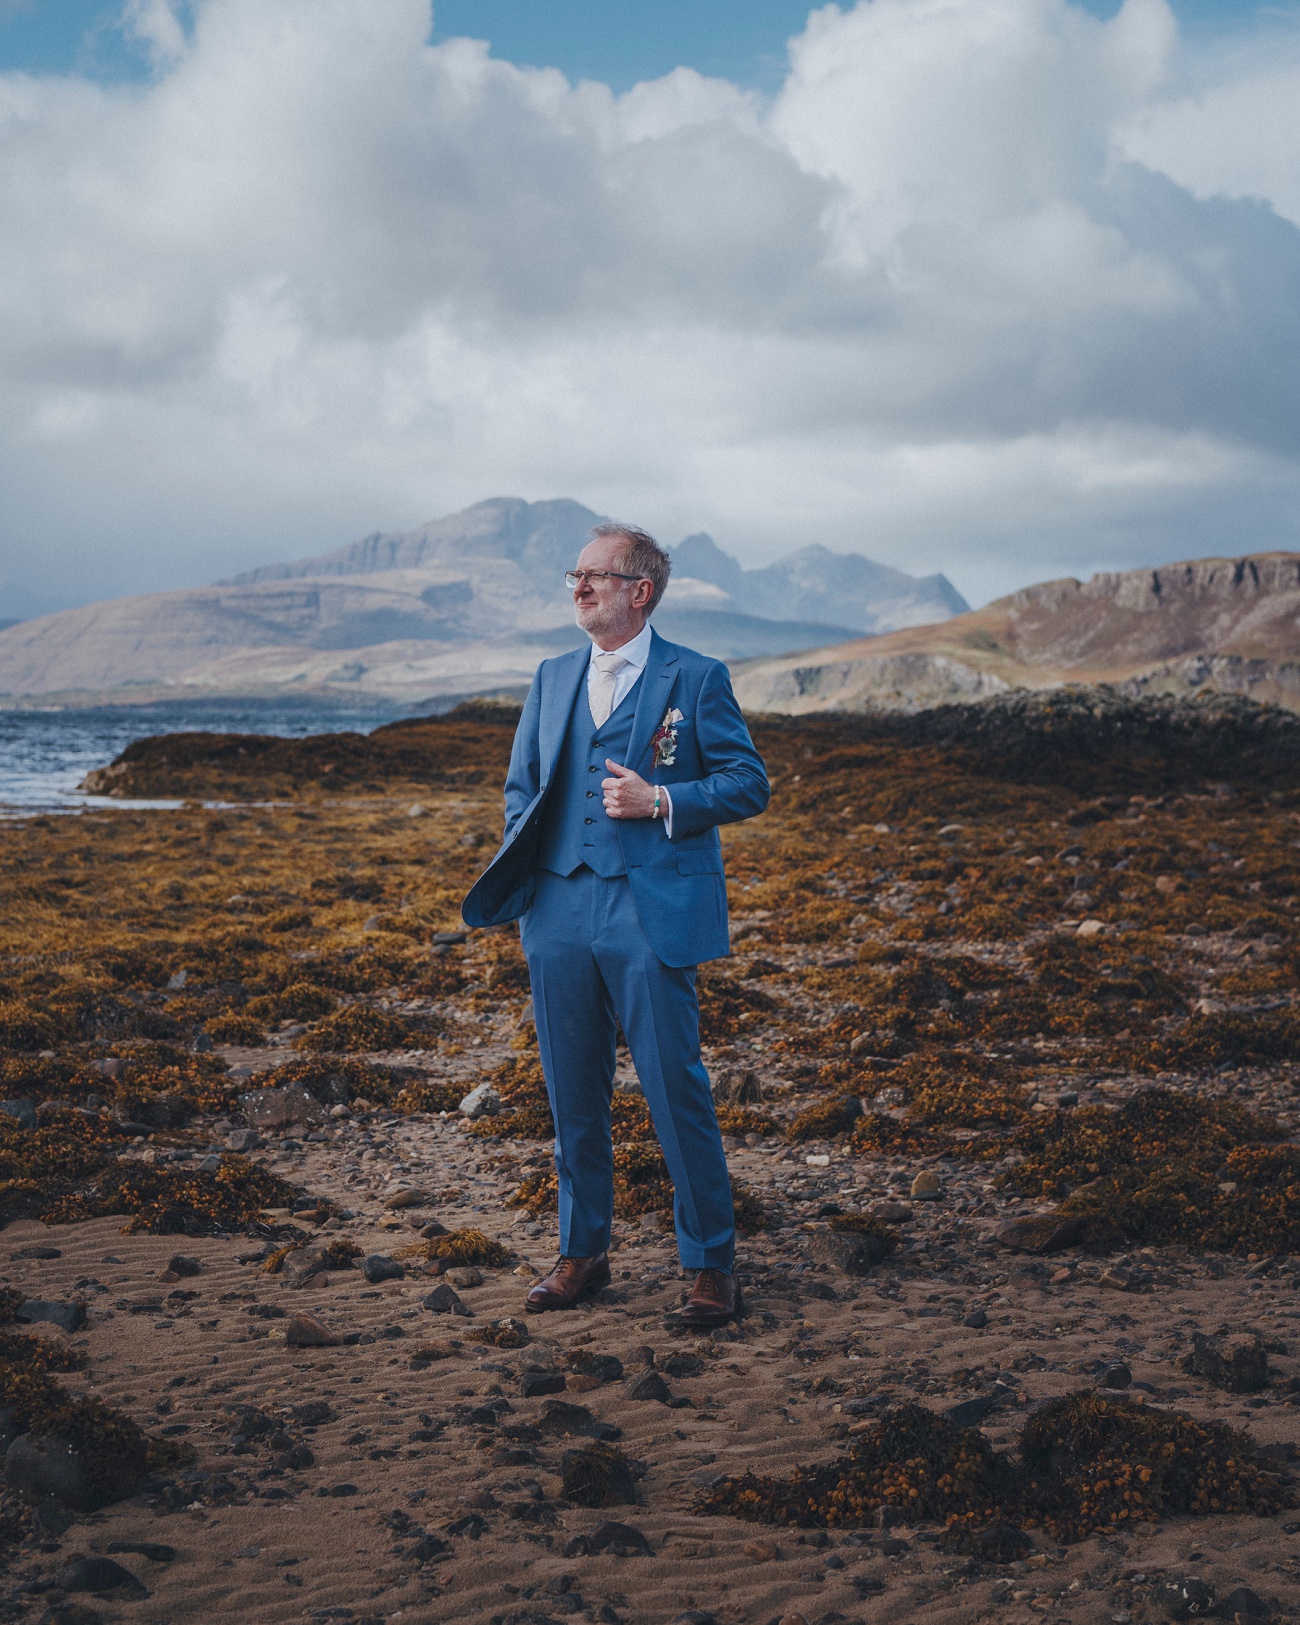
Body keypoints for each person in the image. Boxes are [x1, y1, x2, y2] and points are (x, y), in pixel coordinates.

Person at [461, 521, 770, 1325]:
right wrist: (531, 862)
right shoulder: (552, 674)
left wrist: (662, 800)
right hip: (558, 906)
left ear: (642, 589)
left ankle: (711, 1264)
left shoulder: (696, 677)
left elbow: (747, 782)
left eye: (596, 574)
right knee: (571, 1091)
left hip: (651, 906)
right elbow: (521, 788)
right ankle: (582, 1253)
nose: (579, 586)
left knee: (675, 1084)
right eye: (575, 573)